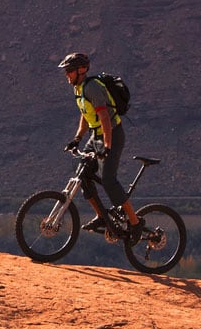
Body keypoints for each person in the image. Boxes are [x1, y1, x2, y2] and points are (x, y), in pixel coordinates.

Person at [58, 51, 143, 243]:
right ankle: (102, 217)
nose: (66, 75)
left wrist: (107, 145)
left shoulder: (93, 88)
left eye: (69, 71)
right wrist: (77, 138)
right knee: (83, 174)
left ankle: (135, 222)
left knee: (108, 180)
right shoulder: (78, 89)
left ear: (81, 70)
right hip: (95, 135)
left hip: (112, 133)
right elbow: (85, 115)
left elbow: (104, 116)